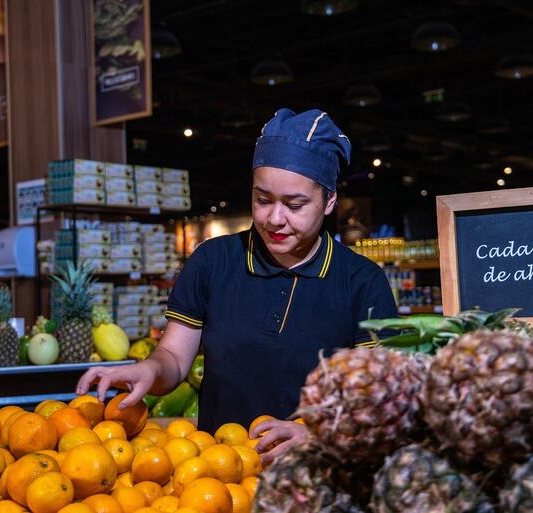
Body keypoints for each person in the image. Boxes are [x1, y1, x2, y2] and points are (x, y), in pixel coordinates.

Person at [76, 108, 398, 463]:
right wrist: (149, 370)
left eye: (295, 205)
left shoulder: (362, 282)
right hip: (216, 475)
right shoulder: (213, 262)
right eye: (263, 200)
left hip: (316, 473)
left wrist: (317, 432)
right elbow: (174, 357)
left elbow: (381, 399)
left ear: (329, 202)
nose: (275, 219)